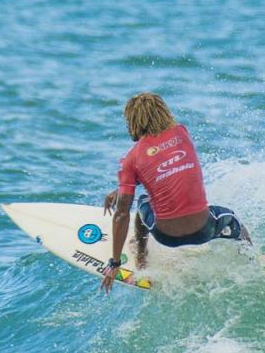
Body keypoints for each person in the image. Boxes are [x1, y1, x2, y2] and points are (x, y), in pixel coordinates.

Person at [100, 92, 251, 293]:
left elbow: (121, 213)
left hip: (166, 236)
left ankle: (141, 254)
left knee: (143, 200)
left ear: (133, 121)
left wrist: (114, 263)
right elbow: (164, 163)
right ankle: (253, 258)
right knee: (232, 219)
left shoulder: (131, 159)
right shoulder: (182, 133)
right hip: (204, 230)